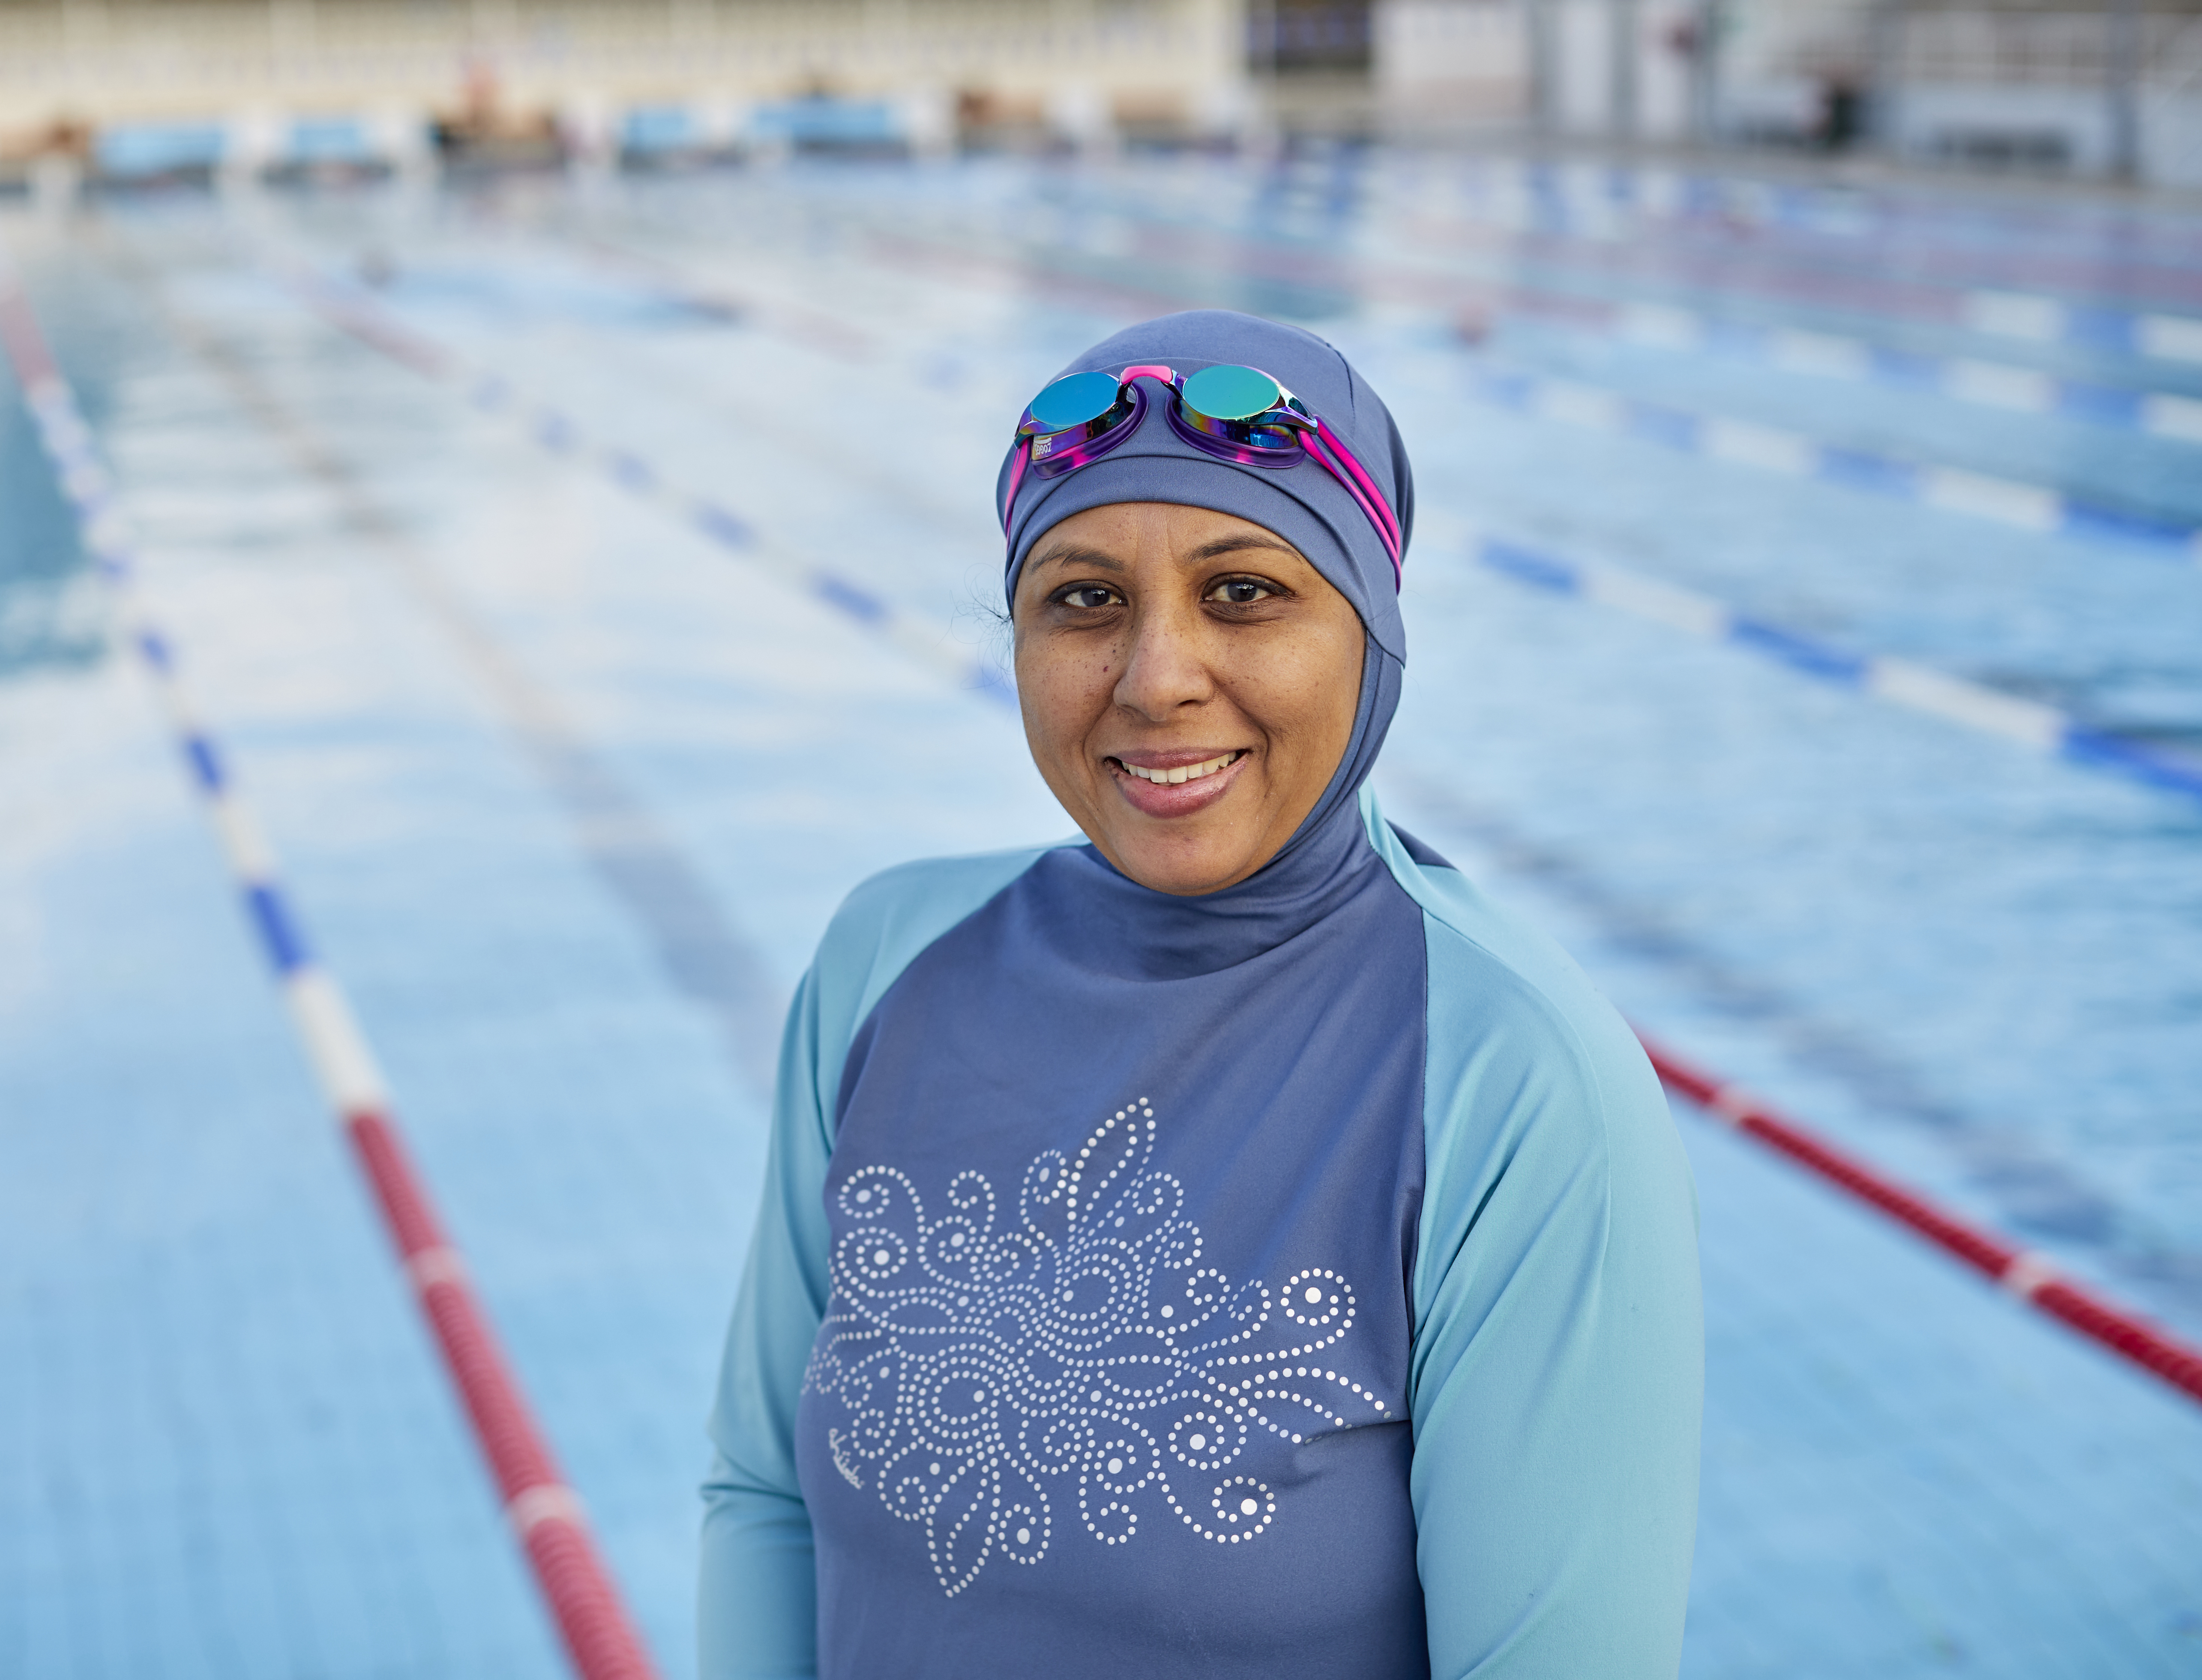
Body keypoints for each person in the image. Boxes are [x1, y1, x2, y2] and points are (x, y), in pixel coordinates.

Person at [699, 310, 1702, 1679]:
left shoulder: (1511, 1075)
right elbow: (762, 1496)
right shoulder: (887, 961)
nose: (1157, 678)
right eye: (1084, 599)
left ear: (1373, 631)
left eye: (1245, 592)